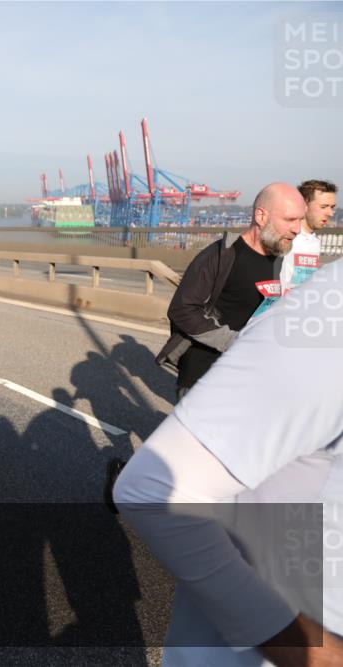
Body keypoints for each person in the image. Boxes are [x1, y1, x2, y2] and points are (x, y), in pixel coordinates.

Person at [115, 261, 343, 666]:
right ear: (262, 215)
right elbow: (152, 490)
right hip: (279, 643)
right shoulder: (325, 315)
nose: (301, 227)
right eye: (293, 218)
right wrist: (310, 653)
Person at [155, 182, 304, 400]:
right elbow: (182, 309)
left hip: (246, 377)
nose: (297, 229)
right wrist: (236, 342)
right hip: (204, 377)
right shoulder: (221, 255)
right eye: (290, 219)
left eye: (301, 220)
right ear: (261, 216)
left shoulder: (277, 260)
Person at [280, 179, 336, 291]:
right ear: (304, 205)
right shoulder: (284, 236)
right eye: (323, 207)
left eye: (332, 207)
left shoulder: (315, 241)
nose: (330, 213)